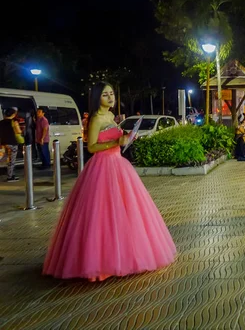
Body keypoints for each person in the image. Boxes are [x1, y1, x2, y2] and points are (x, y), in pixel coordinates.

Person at [43, 82, 176, 282]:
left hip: (119, 164)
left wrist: (128, 137)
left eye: (112, 93)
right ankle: (99, 261)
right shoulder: (95, 118)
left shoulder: (111, 117)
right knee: (102, 214)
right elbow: (92, 147)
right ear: (98, 98)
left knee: (126, 213)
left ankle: (124, 255)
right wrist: (116, 142)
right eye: (105, 94)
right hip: (102, 167)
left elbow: (116, 139)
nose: (110, 97)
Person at [0, 107, 22, 182]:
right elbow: (18, 131)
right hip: (12, 143)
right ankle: (10, 176)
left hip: (4, 143)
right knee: (11, 160)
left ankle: (10, 174)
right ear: (13, 114)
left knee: (5, 157)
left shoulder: (1, 122)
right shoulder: (14, 122)